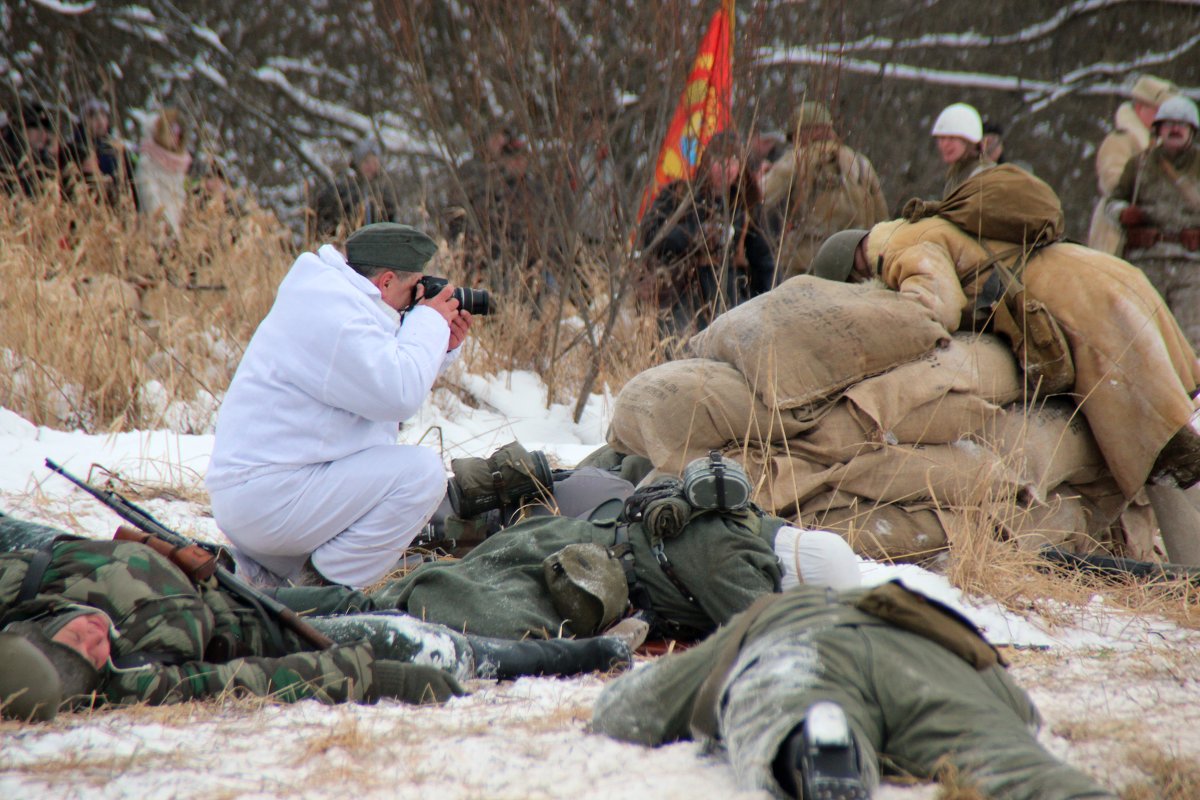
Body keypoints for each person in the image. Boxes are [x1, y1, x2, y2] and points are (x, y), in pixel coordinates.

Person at [808, 219, 1200, 557]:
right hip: (1104, 283)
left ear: (853, 271)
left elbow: (934, 306)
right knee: (1172, 434)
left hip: (1091, 310)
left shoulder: (897, 247)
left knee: (1161, 451)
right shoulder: (913, 230)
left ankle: (1191, 579)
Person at [0, 517, 631, 722]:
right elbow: (263, 679)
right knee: (414, 639)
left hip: (206, 577)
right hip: (242, 620)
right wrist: (379, 676)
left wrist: (155, 548)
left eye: (73, 635)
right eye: (93, 657)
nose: (95, 637)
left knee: (358, 598)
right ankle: (586, 650)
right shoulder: (139, 678)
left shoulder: (18, 582)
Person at [592, 583, 1116, 800]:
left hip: (802, 651)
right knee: (1013, 764)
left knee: (786, 702)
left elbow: (633, 709)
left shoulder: (770, 613)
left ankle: (813, 744)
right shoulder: (917, 607)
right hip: (930, 662)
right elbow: (1015, 702)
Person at [205, 223, 472, 588]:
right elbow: (398, 393)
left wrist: (439, 345)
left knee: (394, 477)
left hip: (267, 497)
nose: (416, 301)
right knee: (421, 475)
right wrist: (427, 321)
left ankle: (279, 579)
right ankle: (320, 596)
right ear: (387, 281)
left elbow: (377, 381)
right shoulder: (339, 317)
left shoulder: (331, 299)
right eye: (413, 290)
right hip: (269, 501)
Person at [638, 132, 776, 336]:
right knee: (678, 354)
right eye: (719, 161)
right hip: (679, 294)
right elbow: (651, 235)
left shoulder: (745, 205)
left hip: (727, 297)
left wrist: (771, 303)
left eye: (733, 162)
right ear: (706, 163)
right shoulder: (679, 195)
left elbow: (763, 261)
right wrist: (695, 235)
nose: (726, 169)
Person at [1106, 95, 1200, 353]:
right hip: (1145, 262)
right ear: (1158, 129)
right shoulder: (1140, 164)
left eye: (1181, 125)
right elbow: (1111, 204)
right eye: (1168, 124)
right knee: (1143, 338)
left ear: (1192, 130)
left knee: (1191, 343)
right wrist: (1123, 213)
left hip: (1192, 267)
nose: (1175, 129)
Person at [761, 101, 888, 279]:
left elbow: (759, 198)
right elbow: (883, 219)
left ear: (800, 133)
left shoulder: (796, 160)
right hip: (856, 263)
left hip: (807, 265)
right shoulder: (860, 163)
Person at [1087, 74, 1177, 255]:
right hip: (1119, 235)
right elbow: (1115, 184)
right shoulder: (1121, 141)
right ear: (1140, 108)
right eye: (1158, 110)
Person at [313, 137, 402, 238]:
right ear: (358, 163)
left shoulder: (384, 190)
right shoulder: (343, 188)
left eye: (374, 162)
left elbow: (392, 221)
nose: (371, 167)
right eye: (366, 162)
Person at [135, 108, 191, 241]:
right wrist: (164, 222)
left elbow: (180, 198)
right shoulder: (147, 161)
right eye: (173, 130)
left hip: (175, 234)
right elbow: (149, 196)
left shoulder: (179, 166)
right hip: (153, 232)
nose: (176, 136)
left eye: (179, 133)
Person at [931, 102, 993, 197]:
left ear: (969, 142)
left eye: (952, 138)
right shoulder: (955, 175)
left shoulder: (983, 176)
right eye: (941, 138)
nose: (944, 144)